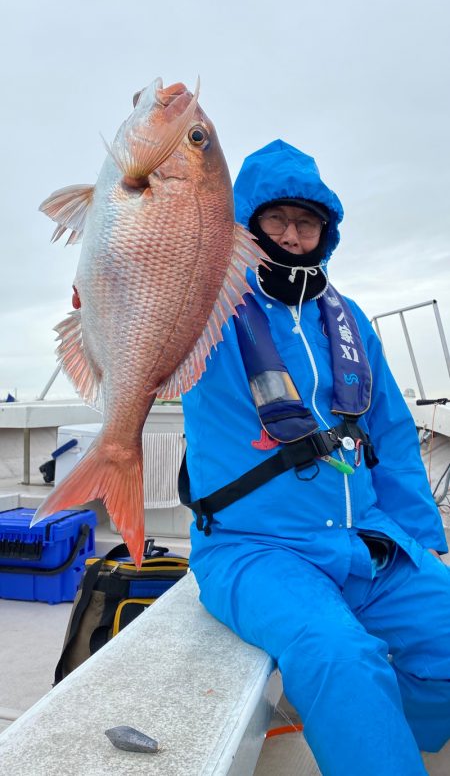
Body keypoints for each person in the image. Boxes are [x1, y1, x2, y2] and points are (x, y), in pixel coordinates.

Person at [181, 139, 450, 775]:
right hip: (255, 548)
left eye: (309, 222)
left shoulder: (350, 318)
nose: (296, 236)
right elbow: (140, 299)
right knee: (340, 656)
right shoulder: (205, 305)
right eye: (278, 220)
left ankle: (387, 742)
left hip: (368, 540)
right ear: (247, 225)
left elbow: (394, 441)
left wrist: (425, 540)